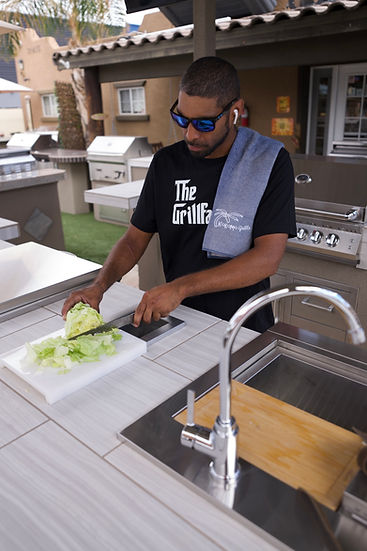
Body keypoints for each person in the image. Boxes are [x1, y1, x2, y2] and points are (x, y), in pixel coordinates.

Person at [62, 56, 296, 332]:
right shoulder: (166, 164)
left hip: (244, 324)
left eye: (204, 124)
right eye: (182, 119)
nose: (191, 135)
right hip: (180, 320)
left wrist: (181, 287)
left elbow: (267, 258)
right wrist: (99, 287)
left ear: (235, 111)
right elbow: (133, 240)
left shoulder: (267, 161)